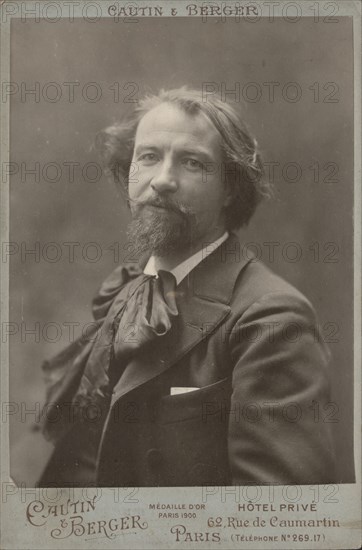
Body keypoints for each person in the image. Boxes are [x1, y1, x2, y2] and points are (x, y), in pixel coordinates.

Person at [38, 88, 336, 487]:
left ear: (230, 187)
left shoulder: (274, 317)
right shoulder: (127, 290)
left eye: (192, 163)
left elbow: (278, 522)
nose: (162, 181)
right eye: (148, 157)